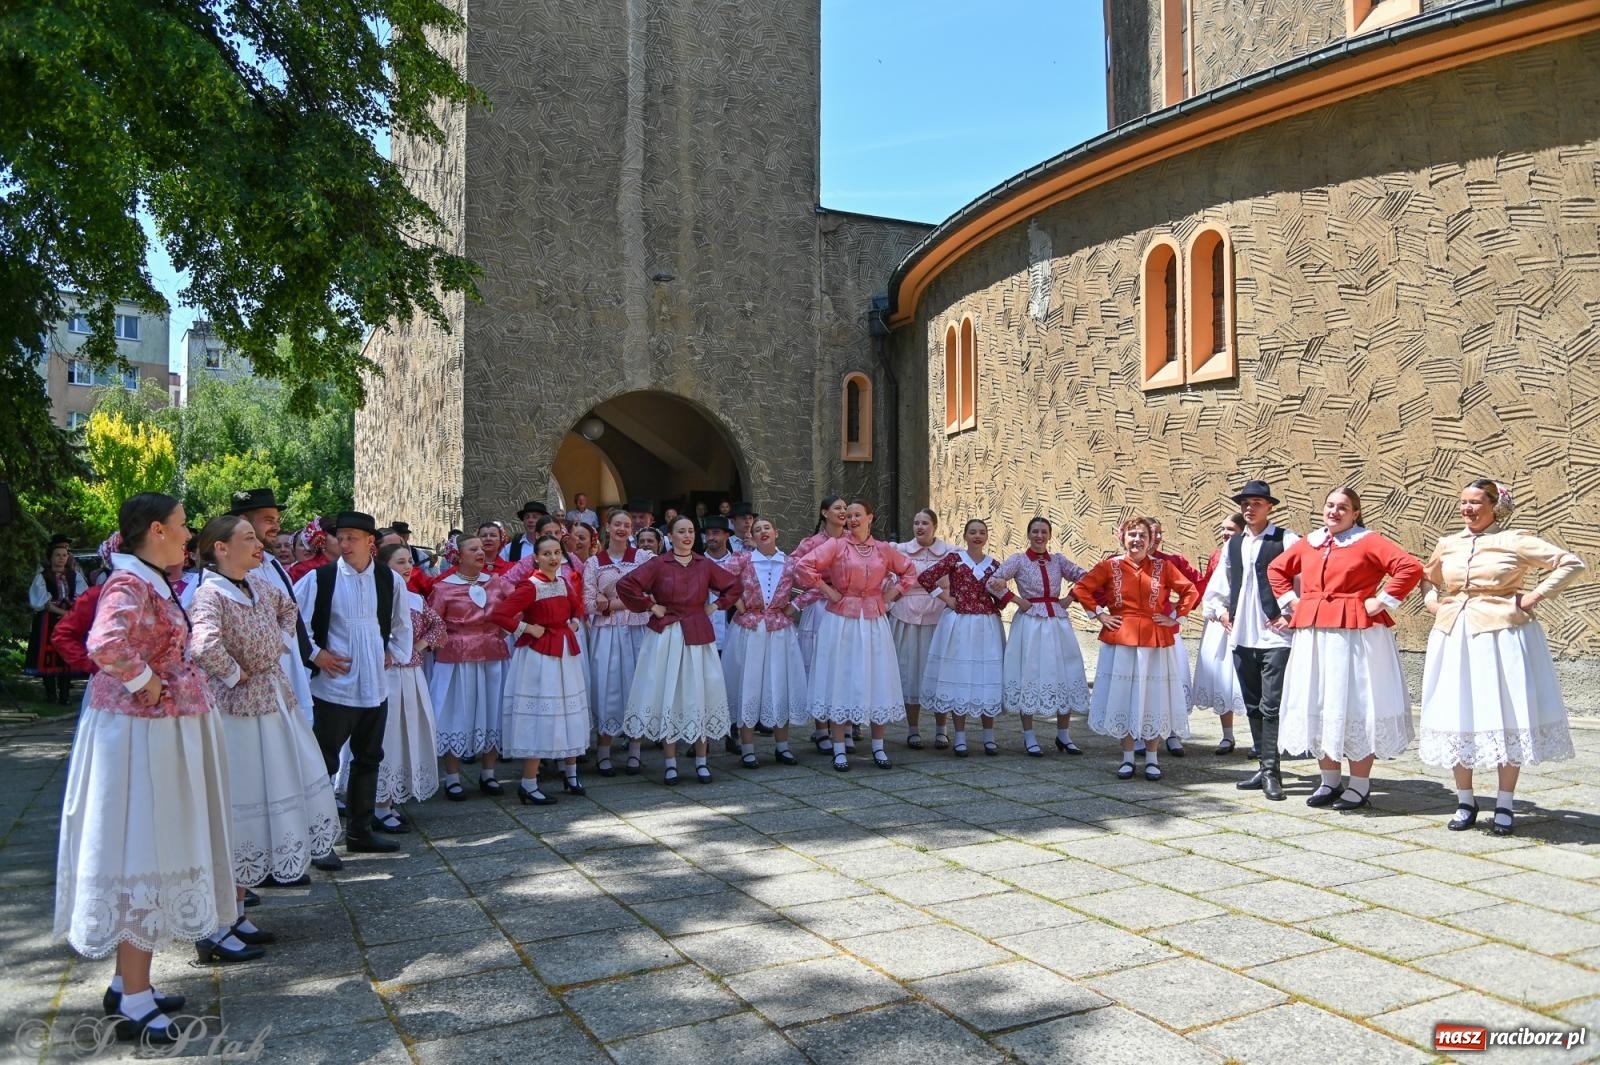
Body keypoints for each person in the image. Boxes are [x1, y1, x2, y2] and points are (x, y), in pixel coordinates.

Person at [55, 494, 237, 1045]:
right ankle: (134, 998)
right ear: (156, 529)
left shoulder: (147, 579)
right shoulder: (130, 582)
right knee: (144, 851)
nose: (189, 534)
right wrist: (148, 683)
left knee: (154, 849)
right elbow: (105, 642)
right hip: (139, 737)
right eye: (182, 525)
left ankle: (126, 984)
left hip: (155, 732)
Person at [189, 515, 338, 953]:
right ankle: (215, 924)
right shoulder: (210, 593)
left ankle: (236, 912)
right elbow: (202, 645)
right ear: (220, 548)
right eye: (248, 538)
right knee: (238, 807)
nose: (258, 544)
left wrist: (277, 644)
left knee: (259, 804)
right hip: (235, 714)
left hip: (271, 702)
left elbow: (288, 609)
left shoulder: (256, 584)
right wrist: (236, 673)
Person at [1418, 480, 1585, 835]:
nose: (1467, 509)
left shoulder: (1514, 540)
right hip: (1454, 637)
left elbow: (1571, 563)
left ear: (1495, 506)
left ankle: (1505, 803)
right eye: (1463, 502)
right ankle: (1465, 800)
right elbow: (1427, 578)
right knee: (1457, 713)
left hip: (1502, 637)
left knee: (1505, 715)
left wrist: (1534, 596)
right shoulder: (1448, 543)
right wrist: (1433, 603)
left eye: (1476, 502)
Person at [1268, 487, 1423, 811]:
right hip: (1314, 634)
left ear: (1355, 513)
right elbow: (1277, 569)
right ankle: (1329, 781)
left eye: (1342, 507)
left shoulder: (1368, 541)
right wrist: (1292, 602)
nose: (1334, 512)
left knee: (1355, 703)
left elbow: (1409, 567)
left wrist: (1381, 601)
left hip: (1355, 635)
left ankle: (1360, 785)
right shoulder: (1310, 542)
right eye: (1330, 505)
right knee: (1320, 701)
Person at [293, 511, 413, 854]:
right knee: (324, 762)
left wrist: (393, 652)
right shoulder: (321, 578)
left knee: (369, 758)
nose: (344, 544)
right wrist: (316, 655)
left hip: (375, 686)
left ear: (370, 542)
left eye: (352, 538)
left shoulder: (389, 580)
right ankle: (318, 841)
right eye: (340, 537)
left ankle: (360, 833)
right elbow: (294, 619)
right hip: (334, 688)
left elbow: (402, 624)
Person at [795, 499, 920, 771]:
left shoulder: (883, 549)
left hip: (874, 619)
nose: (851, 519)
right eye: (848, 515)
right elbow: (804, 565)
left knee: (876, 677)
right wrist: (828, 590)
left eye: (857, 515)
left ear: (870, 518)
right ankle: (839, 748)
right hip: (841, 619)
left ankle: (878, 747)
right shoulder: (836, 545)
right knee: (841, 677)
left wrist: (891, 594)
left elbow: (909, 571)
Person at [1072, 517, 1200, 782]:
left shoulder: (1164, 567)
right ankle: (1128, 758)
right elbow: (1082, 588)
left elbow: (1190, 590)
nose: (1137, 540)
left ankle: (1152, 759)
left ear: (1151, 540)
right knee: (1124, 697)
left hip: (1155, 638)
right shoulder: (1110, 566)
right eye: (1132, 534)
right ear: (1122, 538)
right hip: (1121, 638)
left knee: (1153, 698)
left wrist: (1176, 617)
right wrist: (1100, 615)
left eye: (1143, 535)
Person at [617, 516, 741, 785]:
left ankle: (702, 761)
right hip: (667, 635)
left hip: (697, 633)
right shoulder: (659, 564)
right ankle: (670, 763)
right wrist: (651, 606)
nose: (687, 536)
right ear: (670, 536)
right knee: (669, 695)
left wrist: (715, 606)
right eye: (681, 531)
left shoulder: (703, 564)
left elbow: (734, 585)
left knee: (700, 693)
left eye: (691, 531)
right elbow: (626, 585)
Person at [1202, 481, 1300, 800]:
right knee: (1253, 703)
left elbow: (1306, 581)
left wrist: (1292, 615)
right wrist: (1221, 613)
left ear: (1269, 507)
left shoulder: (1286, 539)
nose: (1249, 508)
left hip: (1276, 637)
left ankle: (1271, 772)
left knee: (1271, 705)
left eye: (1257, 502)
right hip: (1243, 635)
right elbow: (1218, 587)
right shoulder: (1233, 545)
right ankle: (1263, 765)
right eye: (1245, 502)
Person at [493, 534, 590, 803]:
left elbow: (577, 607)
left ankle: (571, 775)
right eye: (546, 553)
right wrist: (527, 628)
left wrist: (574, 622)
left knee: (569, 711)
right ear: (536, 557)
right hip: (539, 657)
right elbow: (499, 614)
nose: (553, 558)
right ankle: (528, 783)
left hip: (565, 653)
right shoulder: (530, 586)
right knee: (539, 715)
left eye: (557, 552)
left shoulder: (563, 582)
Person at [988, 516, 1092, 756]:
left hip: (1057, 623)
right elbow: (992, 582)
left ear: (1050, 535)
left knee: (1064, 672)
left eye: (1044, 531)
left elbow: (1087, 577)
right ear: (1028, 534)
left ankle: (1064, 735)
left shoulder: (1059, 560)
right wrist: (1016, 600)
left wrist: (1071, 597)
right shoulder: (1018, 560)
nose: (1039, 536)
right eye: (1035, 531)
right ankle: (1029, 736)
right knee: (1029, 672)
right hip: (1030, 623)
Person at [427, 535, 511, 798]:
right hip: (456, 659)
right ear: (458, 556)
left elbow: (513, 611)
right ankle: (452, 777)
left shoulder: (496, 582)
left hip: (492, 654)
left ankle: (489, 773)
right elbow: (433, 624)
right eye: (473, 549)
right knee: (455, 712)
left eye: (481, 548)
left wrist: (498, 633)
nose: (480, 552)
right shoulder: (443, 588)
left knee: (492, 709)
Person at [918, 518, 1010, 757]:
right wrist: (946, 598)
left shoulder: (994, 565)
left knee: (987, 676)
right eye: (973, 532)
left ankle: (988, 737)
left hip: (987, 625)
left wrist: (1003, 590)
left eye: (981, 532)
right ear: (965, 536)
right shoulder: (955, 559)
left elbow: (1001, 598)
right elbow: (926, 578)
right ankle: (959, 736)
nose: (977, 536)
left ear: (987, 537)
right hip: (959, 623)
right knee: (958, 675)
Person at [368, 544, 442, 828]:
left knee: (406, 733)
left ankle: (391, 798)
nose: (408, 567)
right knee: (385, 735)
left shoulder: (415, 599)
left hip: (411, 676)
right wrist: (383, 651)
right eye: (400, 562)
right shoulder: (372, 596)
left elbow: (439, 627)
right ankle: (378, 802)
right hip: (385, 676)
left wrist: (418, 646)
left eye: (409, 561)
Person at [724, 517, 808, 766]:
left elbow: (814, 585)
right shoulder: (743, 560)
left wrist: (795, 605)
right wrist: (737, 602)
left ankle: (782, 746)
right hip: (749, 629)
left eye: (766, 528)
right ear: (752, 537)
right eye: (757, 529)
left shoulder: (790, 563)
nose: (762, 531)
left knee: (780, 682)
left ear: (776, 533)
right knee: (748, 684)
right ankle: (748, 747)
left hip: (779, 630)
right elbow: (718, 579)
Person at [231, 489, 318, 727]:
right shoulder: (229, 571)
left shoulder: (274, 565)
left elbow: (292, 615)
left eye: (277, 520)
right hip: (255, 689)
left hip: (289, 676)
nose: (276, 527)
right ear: (244, 521)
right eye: (268, 520)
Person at [585, 510, 655, 775]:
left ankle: (635, 752)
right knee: (607, 686)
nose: (622, 529)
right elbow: (588, 603)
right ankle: (603, 752)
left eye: (626, 525)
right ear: (607, 526)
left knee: (637, 684)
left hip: (637, 629)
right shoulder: (595, 562)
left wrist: (611, 603)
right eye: (617, 524)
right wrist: (631, 601)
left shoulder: (643, 558)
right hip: (607, 633)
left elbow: (653, 594)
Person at [890, 509, 952, 749]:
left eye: (925, 523)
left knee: (939, 672)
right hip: (905, 616)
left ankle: (941, 729)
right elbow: (887, 579)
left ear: (935, 526)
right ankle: (913, 729)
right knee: (909, 671)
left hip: (938, 616)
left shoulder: (951, 553)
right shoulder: (899, 551)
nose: (920, 527)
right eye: (916, 523)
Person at [794, 494, 848, 749]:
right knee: (819, 664)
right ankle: (821, 728)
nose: (843, 512)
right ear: (825, 513)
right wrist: (820, 587)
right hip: (819, 607)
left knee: (846, 665)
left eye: (845, 508)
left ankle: (846, 725)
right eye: (837, 508)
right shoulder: (812, 543)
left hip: (847, 608)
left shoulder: (853, 540)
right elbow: (795, 569)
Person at [1191, 513, 1248, 755]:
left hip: (1246, 620)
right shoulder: (1217, 554)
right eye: (1223, 529)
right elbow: (1209, 587)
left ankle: (1260, 740)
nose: (1225, 533)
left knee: (1247, 679)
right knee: (1223, 677)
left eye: (1230, 529)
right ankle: (1227, 735)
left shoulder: (1252, 551)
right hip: (1220, 622)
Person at [1147, 518, 1201, 757]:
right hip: (1136, 635)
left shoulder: (1172, 562)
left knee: (1171, 682)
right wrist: (1108, 614)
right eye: (1153, 533)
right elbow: (1100, 589)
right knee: (1143, 683)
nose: (1158, 537)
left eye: (1160, 533)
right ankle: (1141, 733)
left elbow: (1196, 586)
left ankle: (1172, 733)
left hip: (1167, 632)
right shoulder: (1124, 563)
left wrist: (1178, 614)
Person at [27, 535, 88, 704]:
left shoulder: (74, 575)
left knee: (66, 655)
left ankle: (65, 696)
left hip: (69, 621)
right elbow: (41, 601)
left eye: (64, 555)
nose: (61, 558)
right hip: (48, 621)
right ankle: (51, 695)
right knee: (48, 654)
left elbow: (83, 597)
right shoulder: (43, 576)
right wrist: (62, 611)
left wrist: (70, 613)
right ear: (51, 557)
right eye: (57, 555)